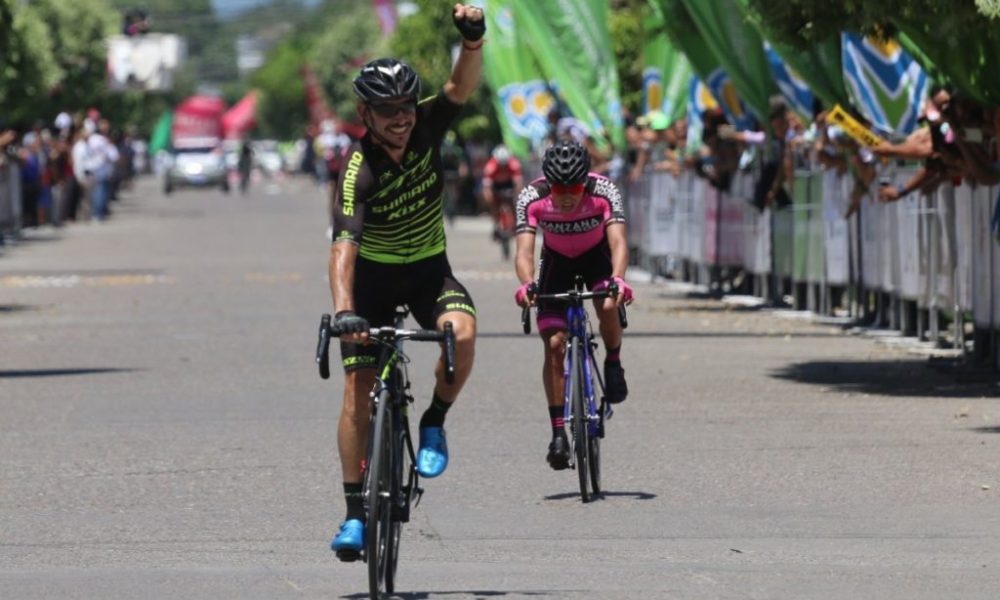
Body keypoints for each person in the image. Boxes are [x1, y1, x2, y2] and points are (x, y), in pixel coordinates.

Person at [327, 3, 485, 559]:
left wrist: (472, 42)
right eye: (387, 110)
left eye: (406, 107)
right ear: (365, 114)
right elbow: (343, 248)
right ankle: (353, 514)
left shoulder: (427, 124)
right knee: (356, 391)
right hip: (369, 284)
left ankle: (435, 420)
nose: (401, 118)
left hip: (426, 272)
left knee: (461, 336)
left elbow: (458, 90)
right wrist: (345, 310)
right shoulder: (358, 170)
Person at [512, 140, 633, 470]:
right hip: (556, 263)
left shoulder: (604, 190)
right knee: (554, 345)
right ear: (548, 183)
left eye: (575, 187)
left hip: (597, 259)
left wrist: (619, 278)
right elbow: (524, 252)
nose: (566, 195)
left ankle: (613, 361)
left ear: (586, 180)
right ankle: (557, 433)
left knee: (608, 305)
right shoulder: (532, 197)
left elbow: (619, 241)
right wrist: (526, 285)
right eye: (559, 187)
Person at [482, 144, 523, 239]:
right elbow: (487, 187)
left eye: (505, 164)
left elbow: (519, 184)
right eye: (501, 164)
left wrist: (518, 196)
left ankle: (515, 225)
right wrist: (489, 198)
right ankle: (496, 224)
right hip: (496, 185)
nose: (503, 167)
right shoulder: (490, 166)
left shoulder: (514, 164)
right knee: (493, 204)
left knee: (513, 203)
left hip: (509, 184)